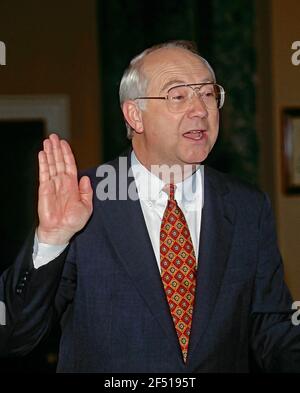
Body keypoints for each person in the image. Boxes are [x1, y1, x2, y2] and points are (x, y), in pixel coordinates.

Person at [0, 40, 300, 373]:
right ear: (135, 115)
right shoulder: (84, 200)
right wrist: (52, 239)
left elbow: (274, 330)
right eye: (178, 95)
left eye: (208, 93)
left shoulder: (247, 206)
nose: (200, 109)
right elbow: (14, 336)